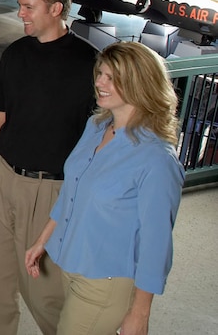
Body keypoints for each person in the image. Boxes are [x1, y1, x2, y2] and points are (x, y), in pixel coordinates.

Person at [0, 0, 97, 335]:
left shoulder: (91, 65)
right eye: (20, 6)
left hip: (50, 189)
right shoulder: (15, 53)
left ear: (56, 9)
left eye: (28, 7)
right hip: (3, 176)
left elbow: (103, 135)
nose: (21, 14)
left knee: (43, 292)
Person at [25, 41, 184, 335]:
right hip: (70, 264)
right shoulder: (96, 126)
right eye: (100, 73)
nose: (99, 82)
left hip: (106, 282)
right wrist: (43, 240)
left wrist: (139, 313)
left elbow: (156, 243)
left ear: (140, 84)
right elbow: (72, 193)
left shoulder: (156, 159)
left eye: (112, 78)